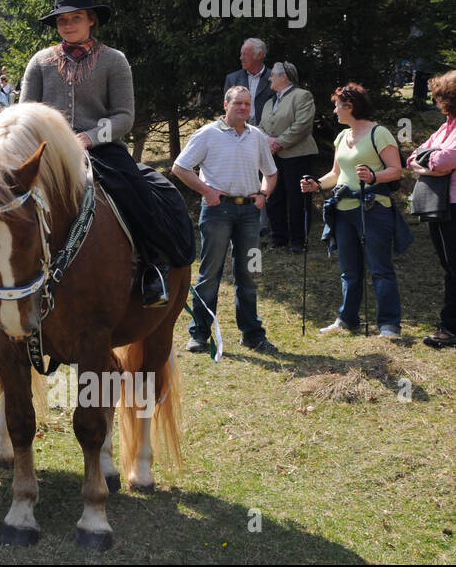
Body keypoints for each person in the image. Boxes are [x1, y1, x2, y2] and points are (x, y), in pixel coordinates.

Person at [22, 0, 194, 307]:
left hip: (101, 149)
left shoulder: (114, 61)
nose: (68, 25)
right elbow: (24, 112)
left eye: (75, 18)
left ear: (92, 21)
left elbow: (124, 116)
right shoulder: (40, 62)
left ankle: (152, 268)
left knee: (136, 193)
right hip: (48, 151)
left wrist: (87, 137)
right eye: (61, 20)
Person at [173, 86, 280, 353]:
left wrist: (264, 194)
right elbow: (179, 167)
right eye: (238, 104)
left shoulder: (257, 136)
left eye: (247, 104)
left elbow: (271, 171)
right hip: (218, 211)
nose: (243, 108)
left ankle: (252, 334)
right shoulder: (208, 134)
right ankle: (199, 334)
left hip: (249, 214)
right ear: (226, 105)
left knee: (249, 273)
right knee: (210, 274)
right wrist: (206, 190)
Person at [299, 83, 407, 337]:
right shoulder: (341, 137)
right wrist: (316, 185)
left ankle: (389, 325)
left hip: (374, 209)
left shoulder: (379, 133)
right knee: (349, 270)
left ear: (350, 107)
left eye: (337, 105)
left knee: (380, 268)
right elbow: (336, 175)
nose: (334, 110)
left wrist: (373, 176)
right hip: (344, 210)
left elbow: (396, 170)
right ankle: (347, 319)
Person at [408, 70, 456, 348]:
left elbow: (445, 161)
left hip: (452, 205)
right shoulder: (446, 126)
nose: (439, 103)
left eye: (442, 98)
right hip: (439, 206)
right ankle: (449, 325)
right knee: (448, 266)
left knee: (454, 267)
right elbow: (414, 155)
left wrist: (428, 163)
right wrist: (427, 162)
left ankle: (449, 327)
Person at [258, 61, 317, 253]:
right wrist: (267, 140)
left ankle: (299, 241)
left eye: (273, 75)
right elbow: (260, 126)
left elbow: (302, 125)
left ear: (284, 77)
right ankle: (279, 239)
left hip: (297, 156)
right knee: (274, 197)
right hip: (273, 156)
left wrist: (279, 142)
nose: (269, 78)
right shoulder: (269, 102)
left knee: (297, 198)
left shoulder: (302, 96)